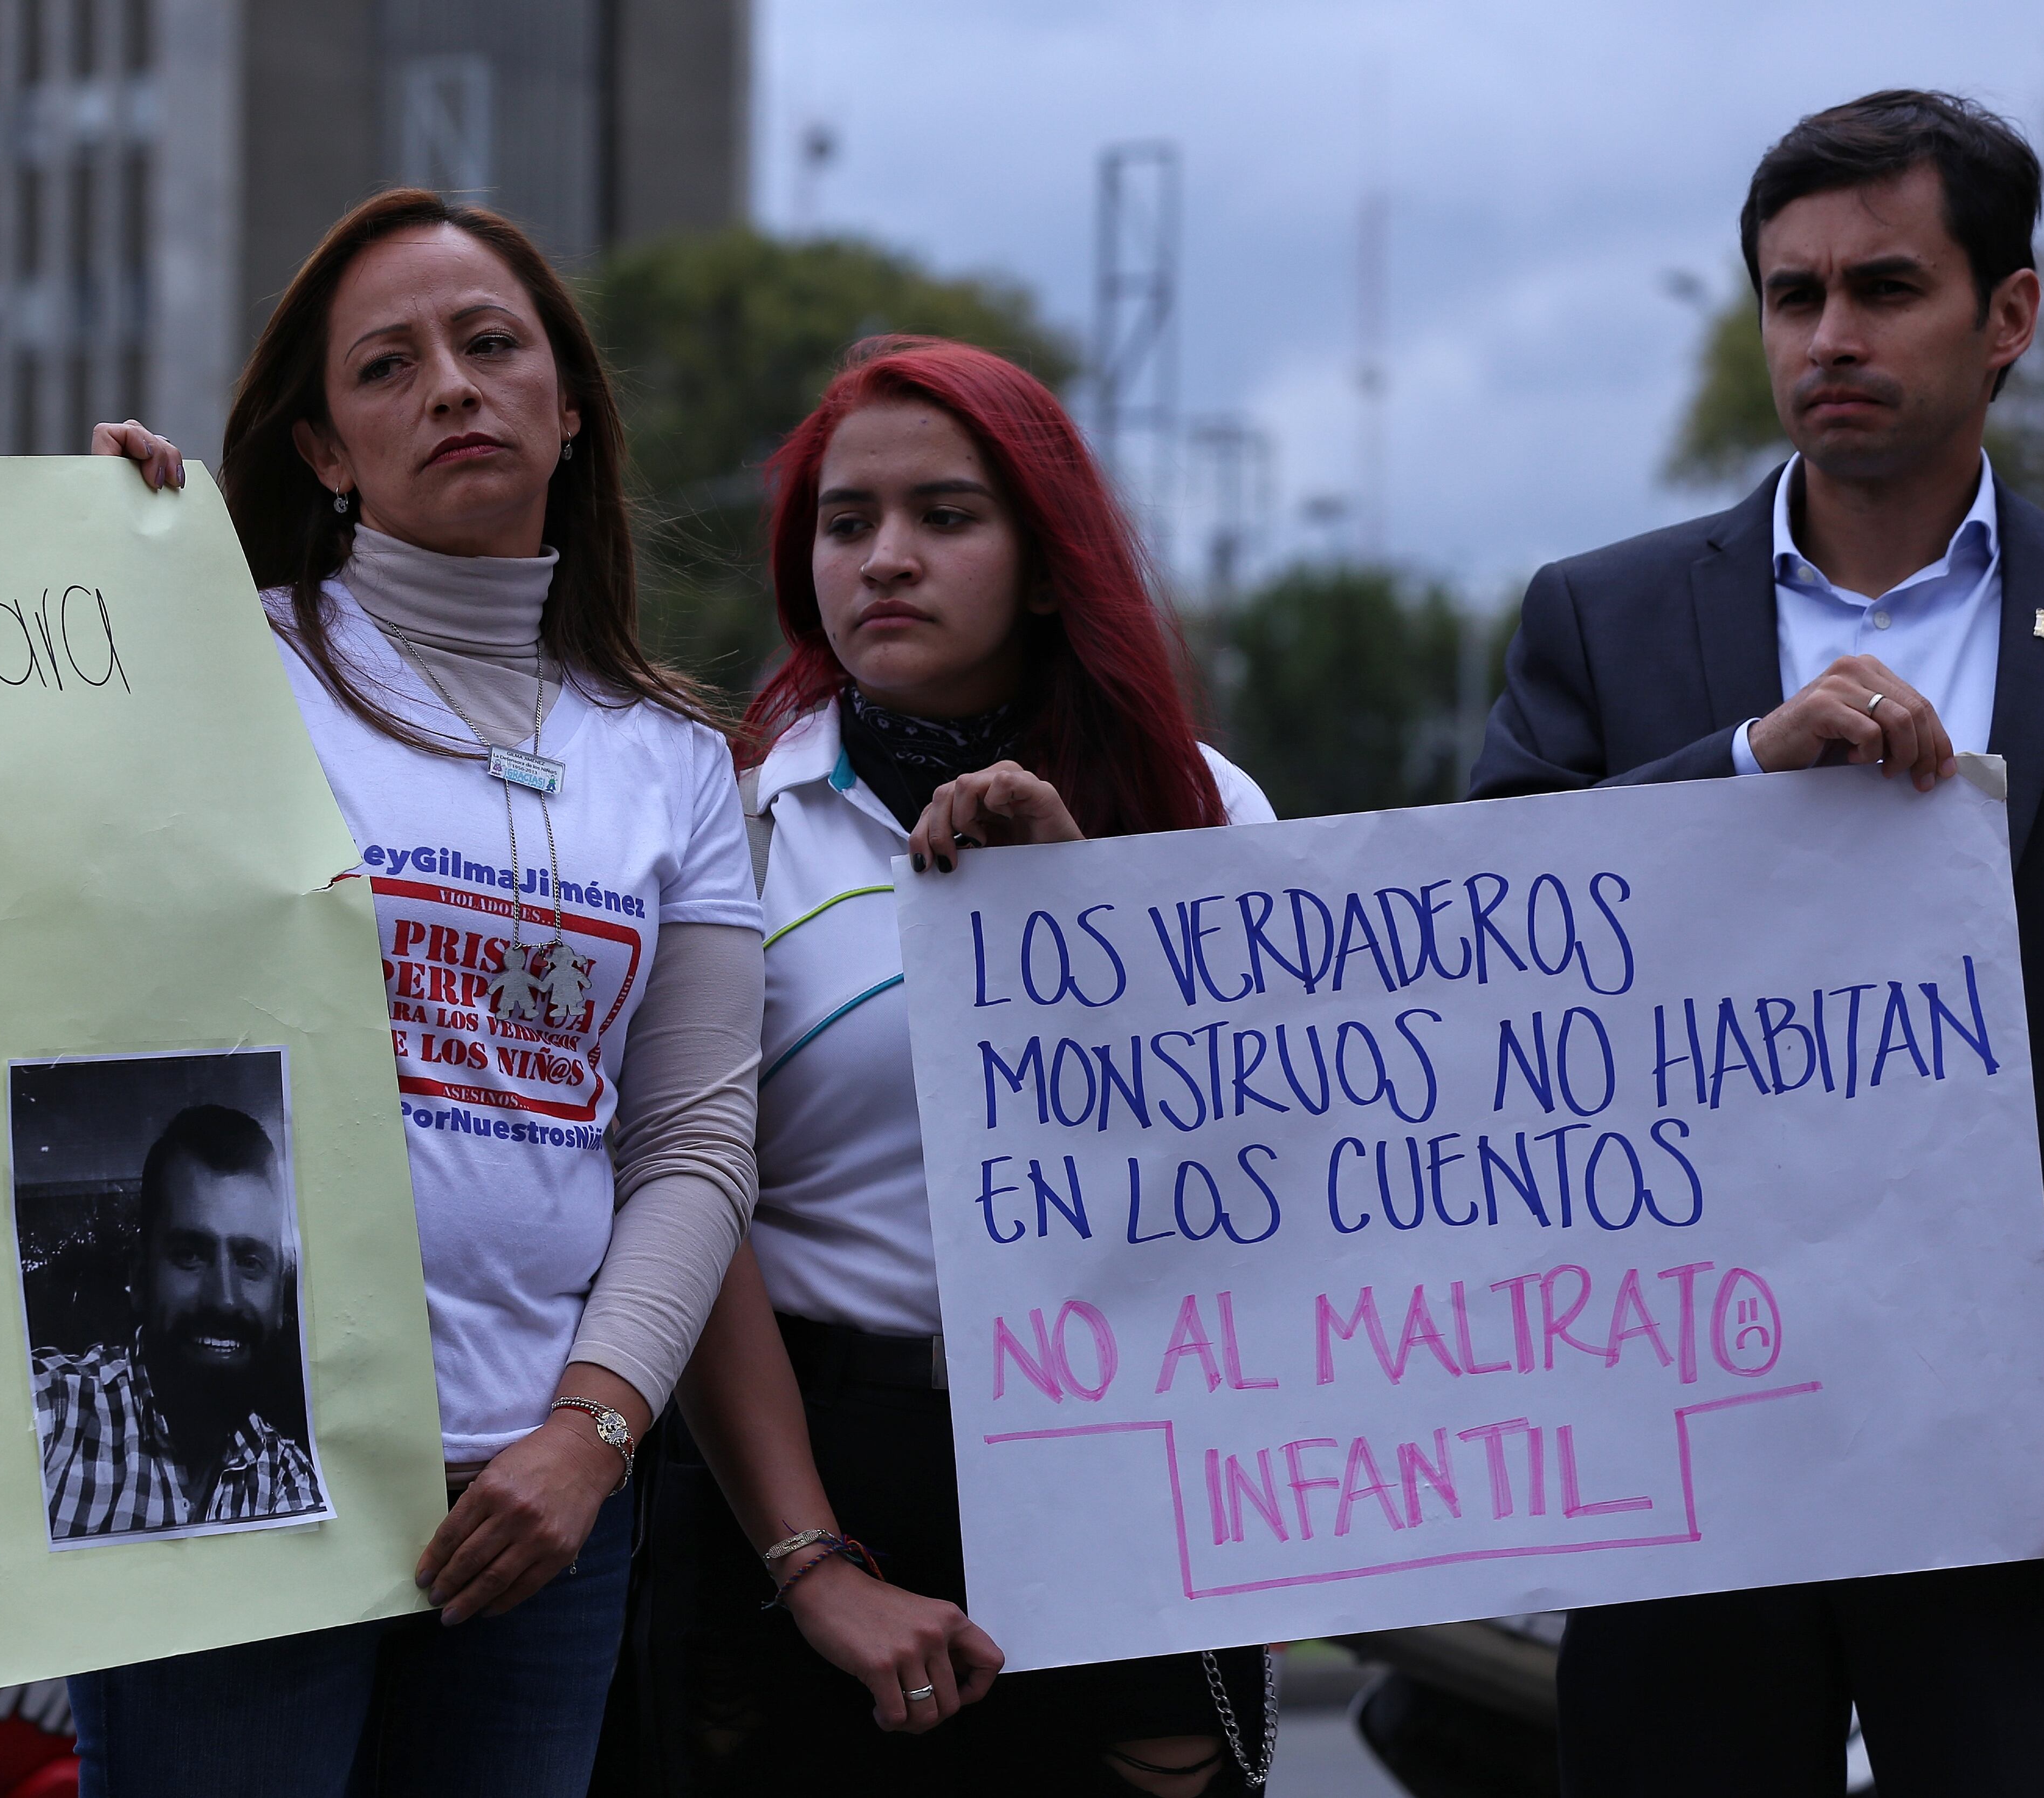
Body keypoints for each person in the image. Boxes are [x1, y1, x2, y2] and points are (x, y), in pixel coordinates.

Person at [1467, 90, 2044, 1795]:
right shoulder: (1602, 613)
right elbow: (1487, 942)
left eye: (1883, 287)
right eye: (1793, 297)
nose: (1829, 336)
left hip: (2039, 1457)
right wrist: (1733, 770)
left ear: (2007, 313)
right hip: (1680, 1440)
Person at [79, 189, 761, 1795]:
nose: (450, 385)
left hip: (540, 1513)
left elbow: (693, 1142)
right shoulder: (212, 666)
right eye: (385, 367)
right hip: (235, 1480)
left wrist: (587, 1439)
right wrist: (82, 580)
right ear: (322, 450)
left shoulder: (670, 763)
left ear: (569, 407)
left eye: (490, 344)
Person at [603, 337, 1280, 1798]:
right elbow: (682, 1193)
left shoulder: (1205, 809)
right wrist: (810, 1554)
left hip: (1128, 1469)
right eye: (847, 524)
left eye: (947, 515)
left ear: (1048, 562)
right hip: (807, 1463)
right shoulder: (730, 819)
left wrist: (1085, 911)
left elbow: (1268, 1179)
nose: (887, 559)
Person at [32, 1104, 324, 1541]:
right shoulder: (54, 1412)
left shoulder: (290, 1480)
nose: (224, 1299)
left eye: (249, 1261)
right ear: (139, 1276)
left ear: (280, 1297)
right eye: (190, 1254)